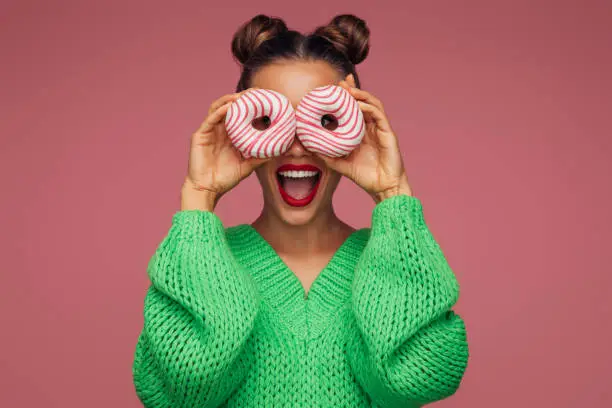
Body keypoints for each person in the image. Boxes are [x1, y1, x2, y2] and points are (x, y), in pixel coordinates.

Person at [132, 13, 469, 408]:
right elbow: (185, 391)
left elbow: (414, 381)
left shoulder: (390, 260)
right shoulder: (202, 259)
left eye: (323, 120)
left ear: (355, 128)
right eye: (269, 121)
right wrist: (198, 198)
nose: (296, 144)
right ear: (239, 130)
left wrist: (394, 194)